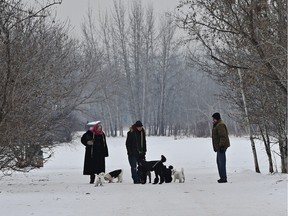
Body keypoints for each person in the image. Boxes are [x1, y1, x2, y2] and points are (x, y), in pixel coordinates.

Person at [211, 112, 230, 183]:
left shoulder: (220, 125)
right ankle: (222, 177)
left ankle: (223, 177)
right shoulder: (217, 125)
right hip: (218, 147)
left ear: (217, 119)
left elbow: (223, 136)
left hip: (221, 147)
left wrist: (221, 145)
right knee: (219, 162)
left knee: (221, 162)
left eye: (214, 119)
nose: (213, 120)